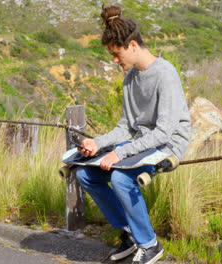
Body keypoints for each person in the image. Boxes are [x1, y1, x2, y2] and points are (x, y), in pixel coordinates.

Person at [75, 5, 191, 264]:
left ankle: (150, 245)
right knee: (86, 173)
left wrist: (120, 152)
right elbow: (126, 127)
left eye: (117, 54)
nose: (115, 61)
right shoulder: (130, 79)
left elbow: (164, 132)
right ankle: (129, 235)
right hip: (144, 142)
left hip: (168, 144)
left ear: (133, 45)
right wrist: (98, 143)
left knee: (120, 178)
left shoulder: (165, 74)